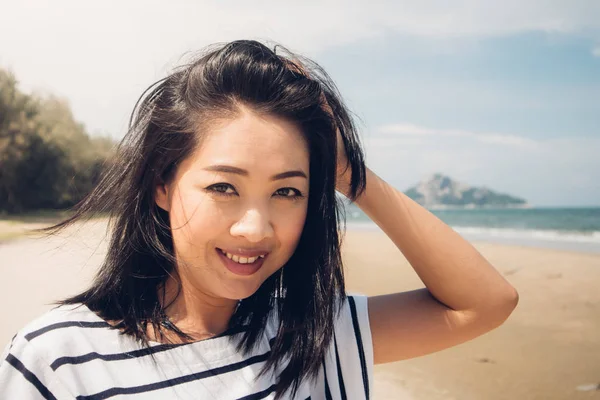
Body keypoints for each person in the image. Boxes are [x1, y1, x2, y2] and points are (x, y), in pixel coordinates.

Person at [0, 40, 518, 399]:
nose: (256, 228)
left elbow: (486, 302)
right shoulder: (61, 358)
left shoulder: (312, 336)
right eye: (224, 186)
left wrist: (345, 170)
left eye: (287, 191)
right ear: (161, 183)